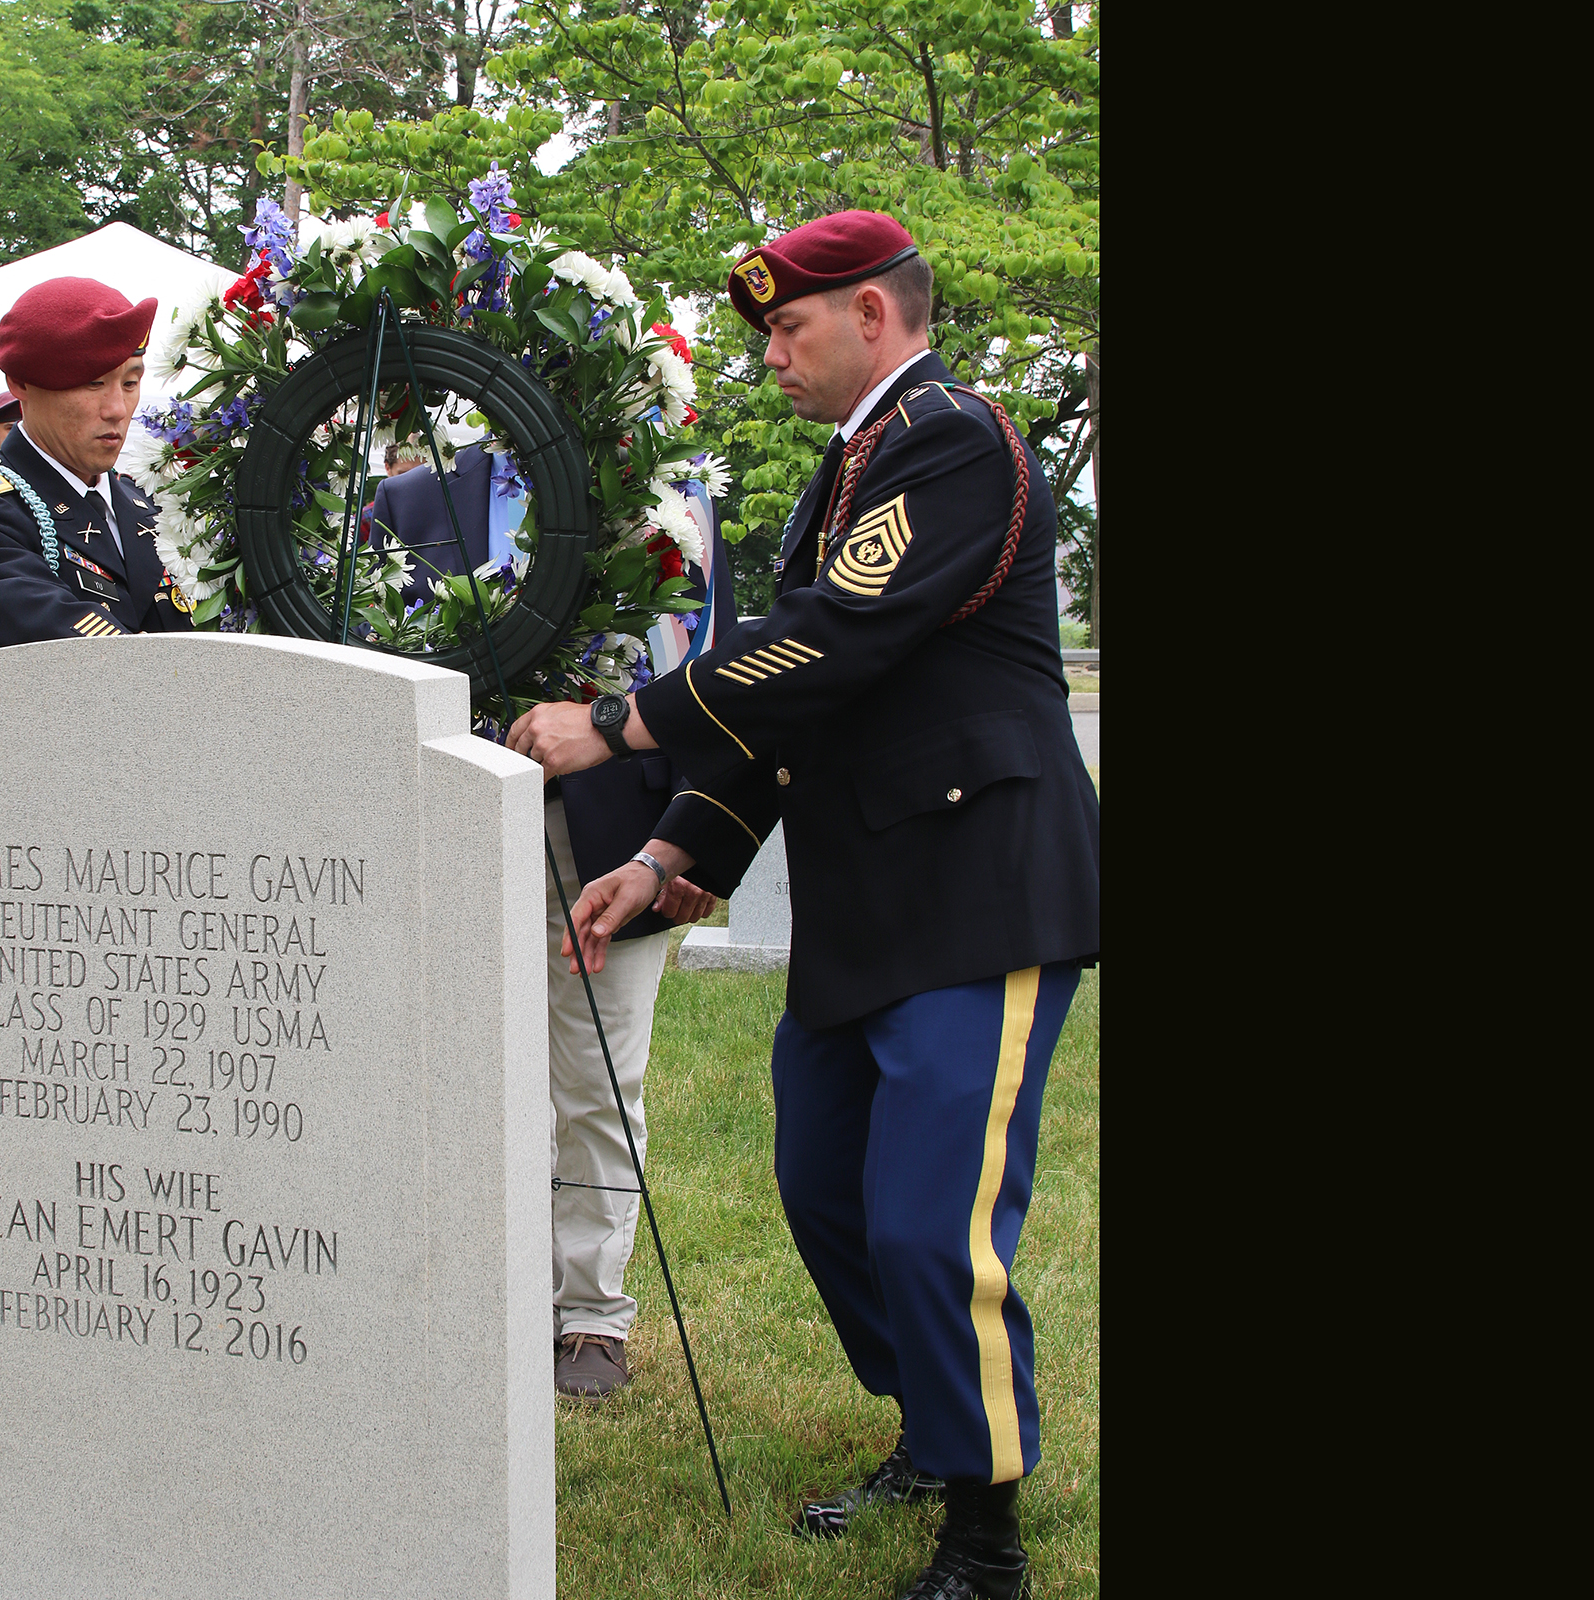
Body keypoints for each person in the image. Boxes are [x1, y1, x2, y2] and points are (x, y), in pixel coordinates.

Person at [503, 211, 1100, 1600]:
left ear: (875, 319)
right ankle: (936, 1429)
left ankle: (986, 1536)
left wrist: (616, 721)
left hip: (980, 895)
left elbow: (834, 644)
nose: (771, 353)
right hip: (872, 901)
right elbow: (791, 720)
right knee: (826, 1189)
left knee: (929, 1225)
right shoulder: (843, 479)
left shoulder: (951, 437)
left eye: (790, 327)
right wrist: (666, 860)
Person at [368, 439, 732, 1400]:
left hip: (616, 834)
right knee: (450, 1072)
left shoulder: (672, 497)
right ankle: (474, 1294)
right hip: (447, 822)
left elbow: (709, 662)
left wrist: (687, 844)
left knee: (599, 1078)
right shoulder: (412, 499)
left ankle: (590, 1316)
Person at [0, 279, 195, 659]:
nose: (118, 409)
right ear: (21, 384)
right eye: (94, 383)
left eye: (130, 382)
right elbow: (52, 644)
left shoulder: (142, 500)